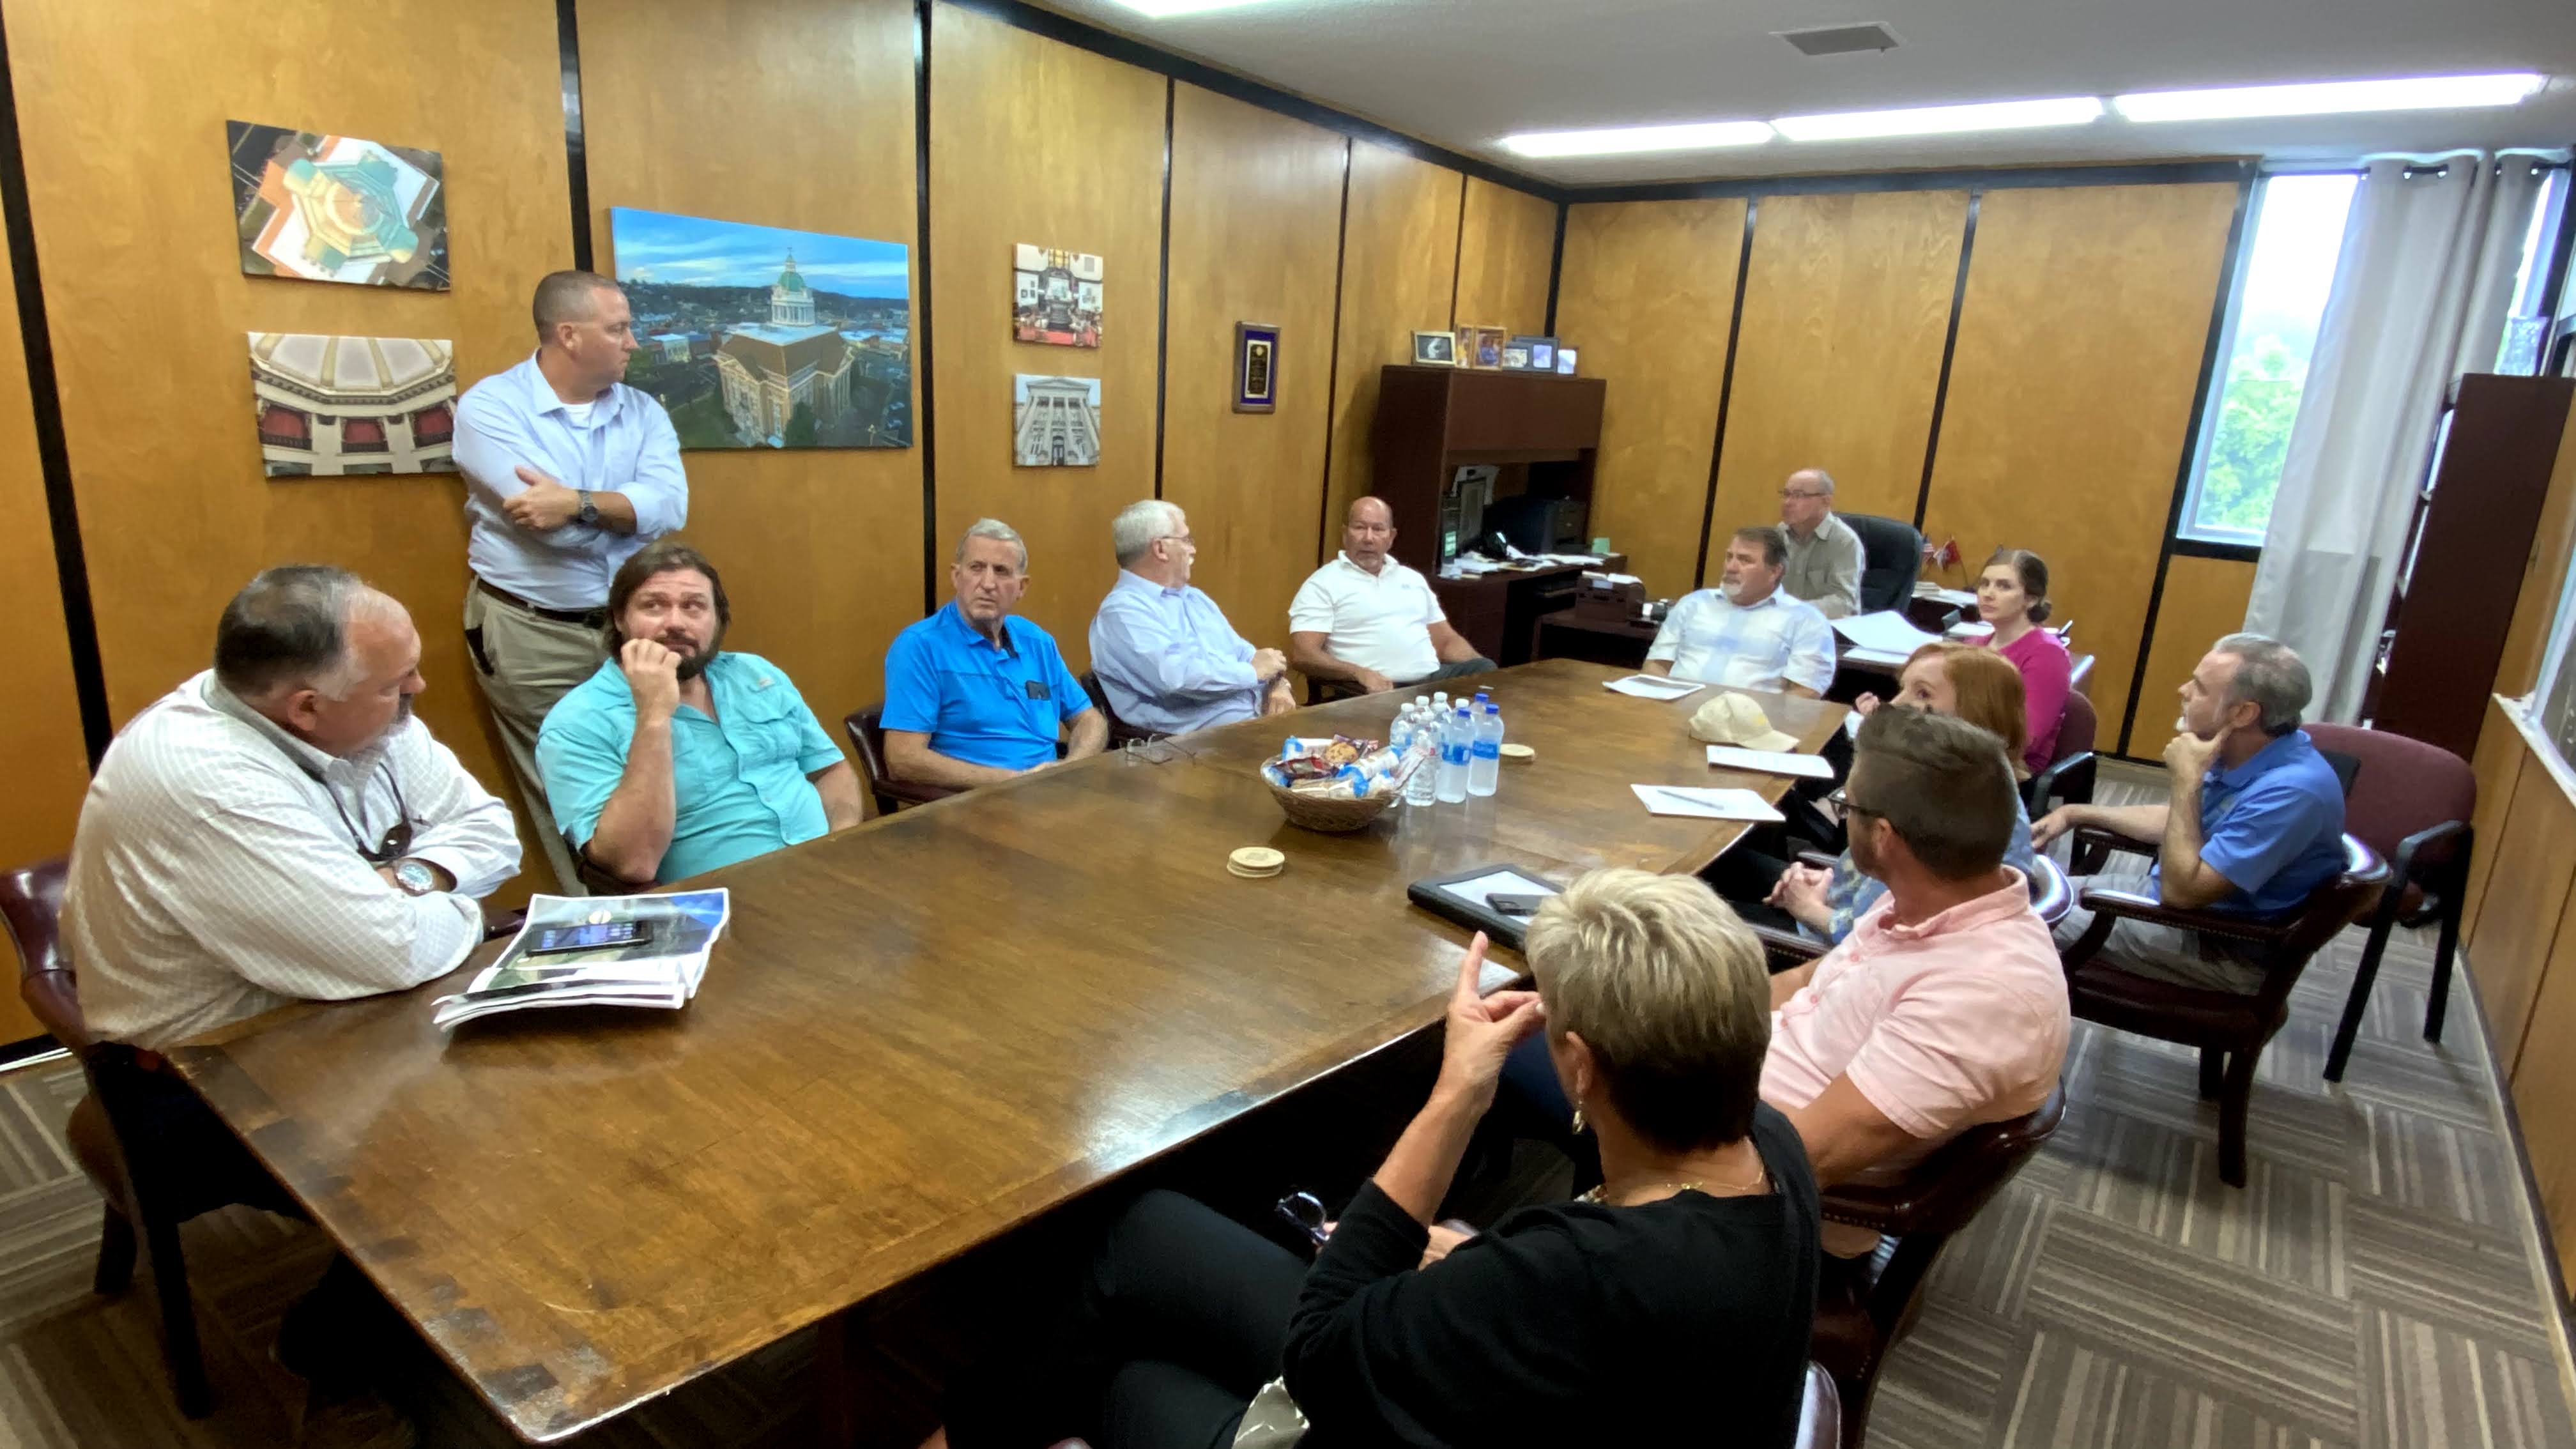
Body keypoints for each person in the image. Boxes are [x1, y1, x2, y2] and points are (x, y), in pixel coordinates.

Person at [926, 872, 1818, 1449]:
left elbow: (1320, 1353)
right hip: (1553, 1400)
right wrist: (1474, 1265)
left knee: (1133, 1384)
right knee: (1146, 1229)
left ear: (1580, 1065)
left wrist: (1459, 1092)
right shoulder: (1770, 1146)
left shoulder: (1572, 1269)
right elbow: (1596, 1322)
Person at [60, 565, 523, 1439]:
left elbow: (489, 828)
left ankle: (417, 1306)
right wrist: (411, 912)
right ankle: (329, 1350)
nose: (419, 692)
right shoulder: (203, 778)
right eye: (397, 684)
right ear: (305, 707)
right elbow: (388, 950)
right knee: (485, 1147)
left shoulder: (365, 720)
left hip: (336, 1011)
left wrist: (411, 877)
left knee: (554, 1080)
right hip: (198, 1079)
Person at [454, 270, 689, 892]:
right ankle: (603, 930)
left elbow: (670, 508)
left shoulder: (642, 412)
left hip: (627, 626)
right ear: (569, 335)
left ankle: (671, 911)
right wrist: (621, 516)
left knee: (651, 759)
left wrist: (580, 502)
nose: (633, 341)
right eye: (618, 329)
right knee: (569, 791)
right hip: (535, 632)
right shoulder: (490, 408)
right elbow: (544, 529)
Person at [535, 542, 863, 885]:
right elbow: (633, 863)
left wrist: (839, 844)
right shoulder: (576, 723)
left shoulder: (755, 673)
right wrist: (653, 715)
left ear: (717, 619)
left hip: (829, 873)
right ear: (619, 619)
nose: (675, 623)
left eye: (694, 607)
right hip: (724, 908)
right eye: (653, 606)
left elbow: (830, 771)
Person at [2034, 633, 2348, 993]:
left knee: (2006, 924)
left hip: (2216, 946)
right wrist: (2076, 813)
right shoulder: (2254, 751)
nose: (2183, 690)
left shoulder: (2293, 793)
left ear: (2244, 713)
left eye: (2199, 688)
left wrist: (2187, 780)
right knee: (2015, 891)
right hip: (2174, 908)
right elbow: (2184, 823)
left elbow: (2182, 892)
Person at [1765, 643, 2039, 944]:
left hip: (1834, 956)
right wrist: (1826, 882)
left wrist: (1805, 906)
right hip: (1840, 907)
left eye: (1922, 694)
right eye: (1903, 689)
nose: (1894, 704)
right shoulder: (1982, 780)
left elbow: (1871, 933)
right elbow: (1873, 890)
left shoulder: (1941, 812)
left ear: (1974, 713)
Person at [884, 519, 1107, 787]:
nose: (988, 583)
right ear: (957, 577)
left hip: (1051, 792)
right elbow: (903, 759)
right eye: (976, 568)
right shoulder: (920, 646)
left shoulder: (1037, 642)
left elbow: (1089, 719)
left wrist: (1071, 766)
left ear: (1021, 587)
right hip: (975, 802)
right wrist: (1013, 781)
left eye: (1001, 571)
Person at [1088, 499, 1296, 734]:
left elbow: (1251, 656)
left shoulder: (1194, 599)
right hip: (1193, 750)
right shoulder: (1123, 613)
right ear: (1160, 549)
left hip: (1255, 724)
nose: (1193, 549)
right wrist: (1253, 673)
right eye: (1186, 540)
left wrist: (1278, 685)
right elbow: (1176, 679)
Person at [1287, 496, 1496, 694]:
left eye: (1378, 529)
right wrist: (1358, 673)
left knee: (1486, 671)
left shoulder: (1412, 579)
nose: (1368, 538)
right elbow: (1303, 655)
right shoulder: (1323, 584)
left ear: (1391, 537)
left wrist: (1488, 674)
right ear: (1345, 534)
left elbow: (1446, 642)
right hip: (1376, 689)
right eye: (1360, 528)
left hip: (1433, 681)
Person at [1644, 525, 1837, 696]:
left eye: (1745, 560)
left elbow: (1806, 692)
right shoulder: (1693, 604)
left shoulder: (1807, 621)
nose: (1731, 567)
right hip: (1675, 715)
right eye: (1729, 557)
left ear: (1775, 572)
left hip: (1751, 728)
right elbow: (1656, 665)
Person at [1977, 548, 2072, 774]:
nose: (1988, 594)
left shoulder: (2047, 654)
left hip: (2011, 772)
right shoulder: (1974, 644)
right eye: (1984, 584)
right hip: (1966, 755)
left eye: (2004, 586)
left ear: (2031, 599)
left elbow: (2026, 738)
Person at [1777, 468, 1864, 618]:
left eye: (1799, 496)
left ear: (1826, 501)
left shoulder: (1845, 542)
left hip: (1827, 630)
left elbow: (1844, 604)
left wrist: (1792, 610)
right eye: (1786, 494)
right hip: (1784, 624)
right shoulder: (1780, 533)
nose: (1788, 502)